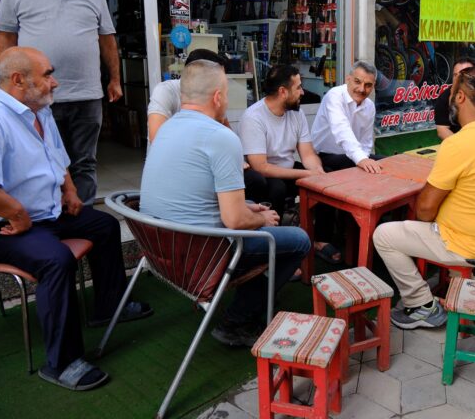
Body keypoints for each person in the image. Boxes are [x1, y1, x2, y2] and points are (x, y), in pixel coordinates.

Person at [0, 47, 151, 391]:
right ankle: (62, 363)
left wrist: (71, 190)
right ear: (18, 80)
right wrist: (16, 213)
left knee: (104, 226)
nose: (55, 82)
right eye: (47, 74)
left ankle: (108, 306)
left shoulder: (39, 110)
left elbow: (57, 160)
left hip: (42, 215)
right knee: (55, 259)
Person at [140, 60, 310, 346]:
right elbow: (234, 222)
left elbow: (200, 195)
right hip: (202, 255)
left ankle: (254, 293)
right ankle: (238, 319)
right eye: (227, 95)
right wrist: (259, 219)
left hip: (162, 249)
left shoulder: (165, 128)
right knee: (298, 239)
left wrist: (248, 209)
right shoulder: (221, 137)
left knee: (254, 203)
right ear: (217, 97)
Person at [373, 67, 475, 329]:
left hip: (467, 244)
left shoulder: (459, 143)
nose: (449, 98)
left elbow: (425, 211)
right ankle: (451, 281)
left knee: (384, 235)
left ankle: (421, 304)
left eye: (451, 92)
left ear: (460, 98)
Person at [0, 0, 121, 206]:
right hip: (36, 97)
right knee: (42, 163)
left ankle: (83, 217)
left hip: (86, 95)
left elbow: (107, 40)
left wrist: (114, 79)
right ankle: (50, 221)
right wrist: (7, 86)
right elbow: (5, 39)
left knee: (84, 163)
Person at [239, 65, 339, 263]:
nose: (302, 92)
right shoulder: (253, 117)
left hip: (288, 167)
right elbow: (260, 166)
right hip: (264, 174)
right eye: (298, 87)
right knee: (276, 189)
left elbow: (307, 152)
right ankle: (273, 251)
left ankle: (320, 239)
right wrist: (306, 175)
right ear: (283, 92)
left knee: (327, 178)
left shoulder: (296, 112)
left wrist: (317, 171)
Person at [146, 49, 267, 203]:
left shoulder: (211, 97)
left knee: (256, 182)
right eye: (218, 76)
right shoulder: (166, 91)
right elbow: (158, 140)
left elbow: (225, 129)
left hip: (205, 164)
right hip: (177, 169)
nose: (222, 83)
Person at [311, 61, 382, 173]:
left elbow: (366, 142)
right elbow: (342, 131)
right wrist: (361, 159)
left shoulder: (369, 105)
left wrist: (364, 159)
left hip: (352, 156)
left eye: (368, 85)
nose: (361, 89)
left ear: (373, 86)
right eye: (357, 82)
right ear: (348, 79)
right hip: (323, 156)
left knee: (385, 162)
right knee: (357, 165)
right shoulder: (334, 96)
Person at [434, 58, 475, 139]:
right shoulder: (445, 97)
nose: (458, 78)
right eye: (455, 75)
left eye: (462, 75)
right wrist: (459, 144)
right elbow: (442, 129)